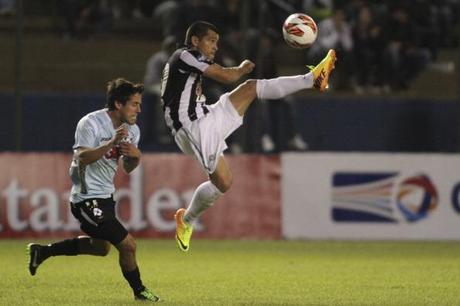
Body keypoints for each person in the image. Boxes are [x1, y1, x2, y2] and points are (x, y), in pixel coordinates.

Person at [161, 21, 336, 252]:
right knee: (224, 182)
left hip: (205, 115)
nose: (215, 46)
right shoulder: (184, 55)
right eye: (211, 40)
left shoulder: (191, 59)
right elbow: (225, 76)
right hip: (192, 127)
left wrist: (241, 73)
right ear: (195, 40)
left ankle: (312, 79)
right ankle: (188, 220)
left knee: (251, 88)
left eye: (217, 41)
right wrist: (241, 68)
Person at [27, 78, 160, 303]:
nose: (139, 109)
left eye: (139, 104)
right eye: (134, 104)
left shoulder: (132, 130)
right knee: (128, 245)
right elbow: (82, 157)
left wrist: (136, 157)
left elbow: (127, 167)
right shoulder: (90, 123)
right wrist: (110, 143)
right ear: (118, 104)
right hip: (86, 199)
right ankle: (140, 292)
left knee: (101, 248)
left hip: (106, 197)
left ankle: (43, 251)